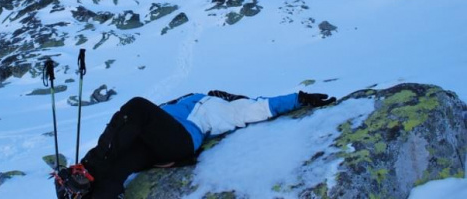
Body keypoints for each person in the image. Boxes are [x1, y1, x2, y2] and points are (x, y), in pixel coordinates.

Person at [67, 90, 336, 198]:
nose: (222, 92)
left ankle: (87, 168)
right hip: (153, 145)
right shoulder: (182, 100)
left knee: (136, 106)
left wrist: (299, 99)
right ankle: (86, 188)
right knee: (118, 166)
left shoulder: (222, 106)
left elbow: (259, 107)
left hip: (179, 142)